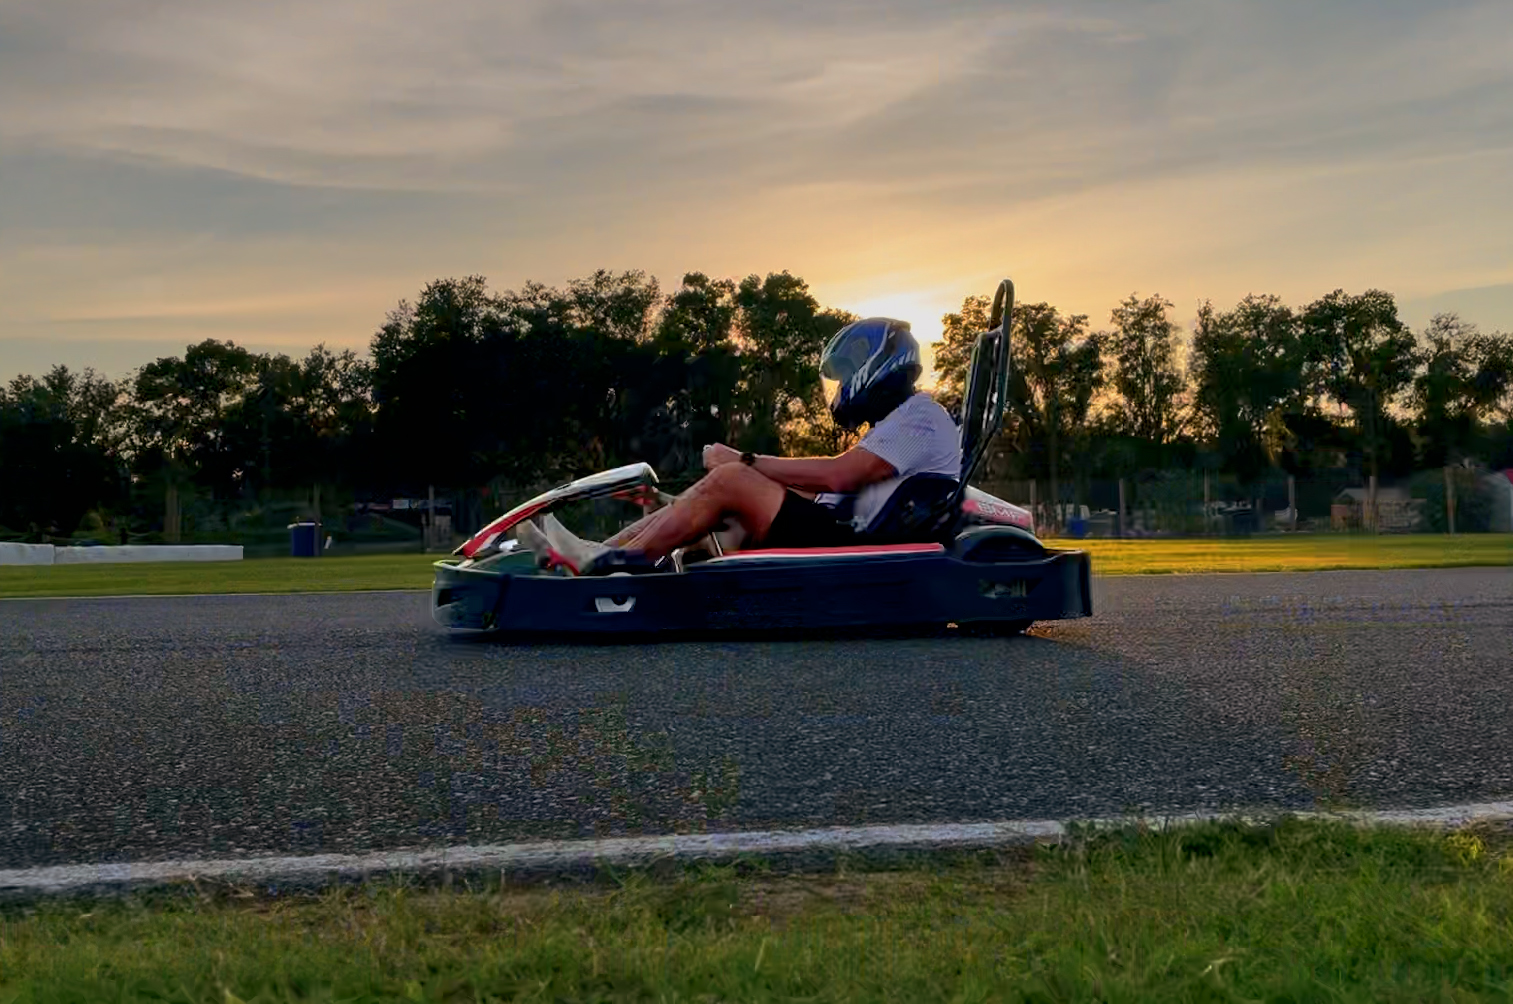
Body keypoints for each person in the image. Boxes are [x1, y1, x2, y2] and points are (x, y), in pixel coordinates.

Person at [518, 317, 961, 575]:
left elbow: (839, 475)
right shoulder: (897, 423)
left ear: (880, 364)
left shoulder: (920, 415)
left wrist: (744, 462)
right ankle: (587, 554)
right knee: (698, 499)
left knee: (730, 478)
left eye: (848, 373)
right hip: (842, 524)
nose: (843, 385)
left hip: (850, 539)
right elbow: (838, 486)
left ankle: (611, 565)